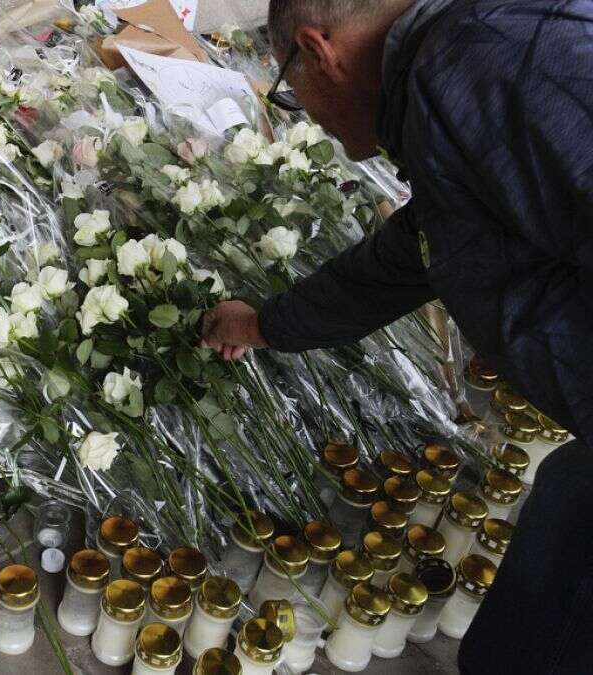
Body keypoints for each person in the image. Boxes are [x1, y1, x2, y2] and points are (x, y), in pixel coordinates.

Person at [199, 0, 593, 672]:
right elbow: (424, 245)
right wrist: (268, 324)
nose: (307, 111)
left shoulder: (480, 68)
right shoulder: (458, 68)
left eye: (292, 85)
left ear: (320, 51)